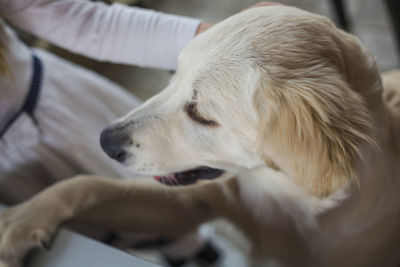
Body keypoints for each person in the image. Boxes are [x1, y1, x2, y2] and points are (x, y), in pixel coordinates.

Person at [0, 0, 277, 265]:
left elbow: (71, 17)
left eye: (200, 114)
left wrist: (213, 38)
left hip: (57, 103)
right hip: (11, 175)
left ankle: (199, 249)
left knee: (167, 201)